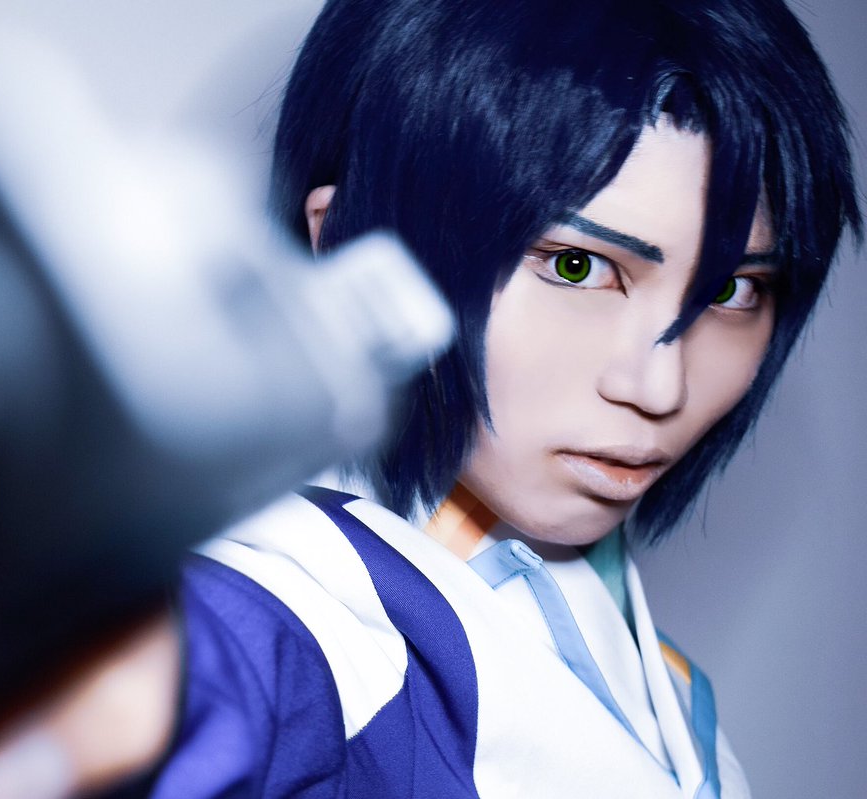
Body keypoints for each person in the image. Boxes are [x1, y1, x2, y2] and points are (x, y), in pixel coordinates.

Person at [134, 0, 860, 797]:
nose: (660, 386)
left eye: (730, 290)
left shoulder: (656, 684)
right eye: (578, 267)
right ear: (350, 241)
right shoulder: (275, 622)